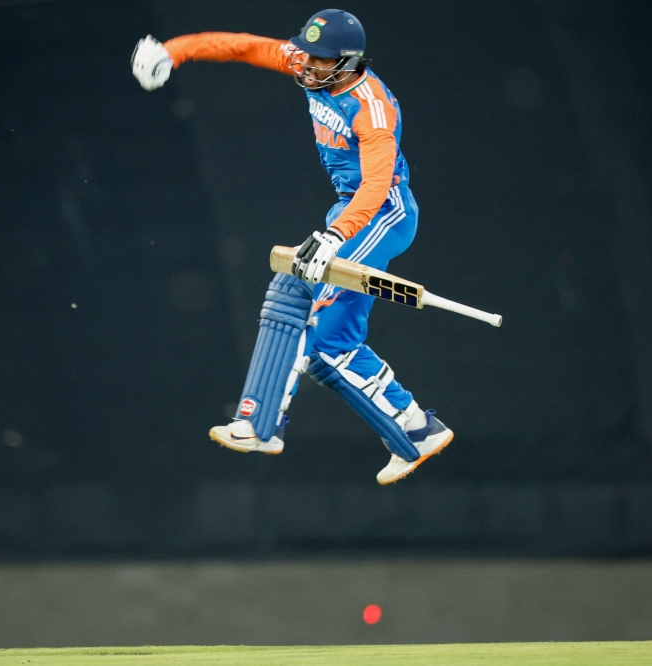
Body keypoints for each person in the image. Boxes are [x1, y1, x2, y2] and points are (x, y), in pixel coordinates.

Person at [131, 10, 453, 485]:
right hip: (346, 216)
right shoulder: (309, 64)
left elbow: (378, 185)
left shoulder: (371, 106)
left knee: (297, 300)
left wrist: (336, 235)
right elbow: (240, 45)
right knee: (329, 348)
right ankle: (415, 428)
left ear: (348, 63)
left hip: (382, 215)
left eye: (321, 61)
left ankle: (260, 423)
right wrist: (173, 51)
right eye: (306, 53)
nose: (306, 65)